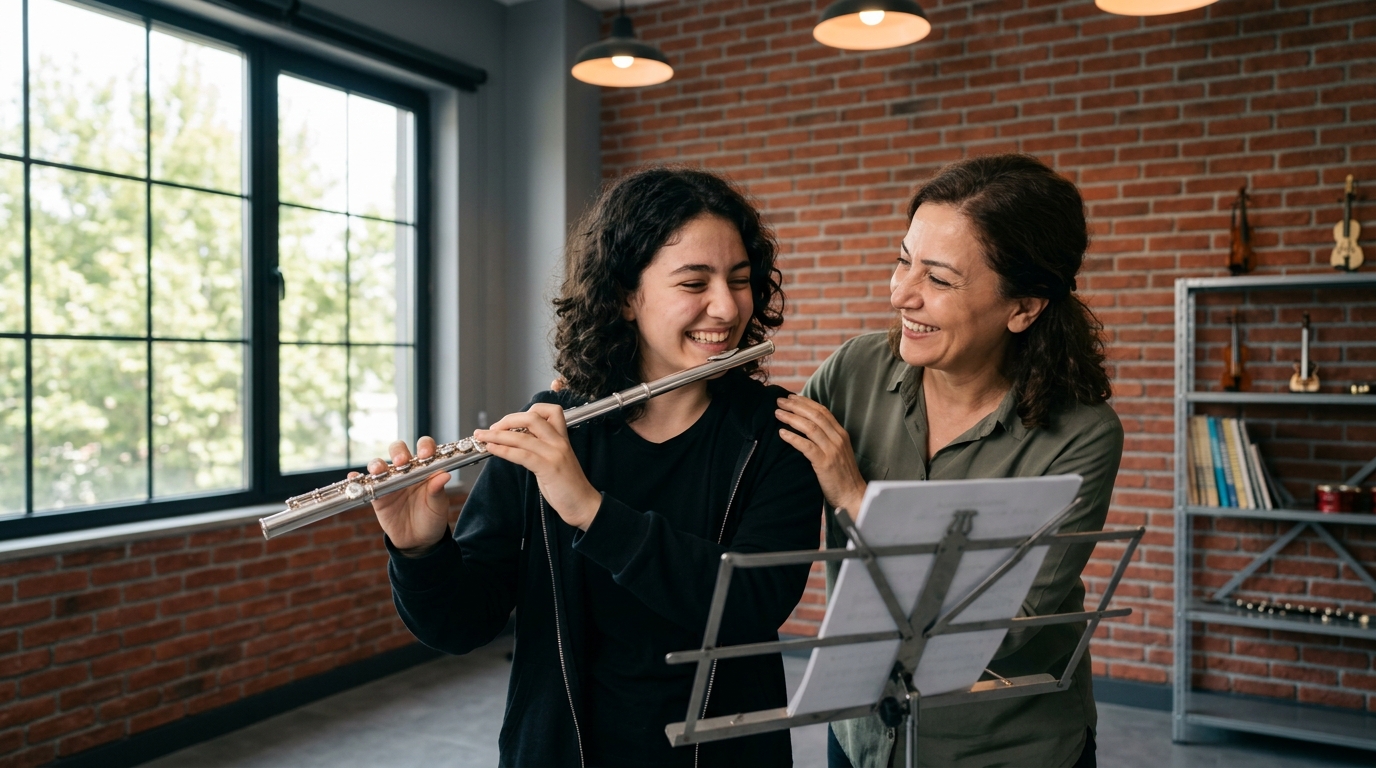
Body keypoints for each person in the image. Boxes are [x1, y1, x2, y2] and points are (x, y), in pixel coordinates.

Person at [367, 167, 823, 768]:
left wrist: (591, 511)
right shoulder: (548, 428)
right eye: (694, 282)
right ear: (627, 296)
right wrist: (421, 552)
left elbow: (753, 602)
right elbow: (462, 626)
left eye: (740, 280)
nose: (726, 305)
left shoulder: (777, 432)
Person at [775, 154, 1123, 768]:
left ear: (1024, 307)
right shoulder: (854, 370)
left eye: (938, 279)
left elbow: (1012, 631)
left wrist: (859, 500)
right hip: (860, 735)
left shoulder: (1083, 435)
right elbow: (742, 457)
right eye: (903, 260)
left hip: (1002, 747)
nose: (900, 294)